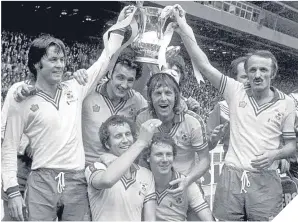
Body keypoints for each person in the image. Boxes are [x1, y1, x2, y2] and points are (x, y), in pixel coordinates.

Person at [1, 7, 129, 221]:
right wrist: (12, 190)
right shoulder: (21, 97)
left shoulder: (75, 87)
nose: (60, 65)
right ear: (36, 64)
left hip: (76, 180)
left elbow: (105, 59)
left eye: (62, 59)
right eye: (53, 60)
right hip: (42, 179)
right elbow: (9, 146)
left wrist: (120, 25)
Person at [171, 5, 296, 220]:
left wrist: (275, 154)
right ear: (246, 72)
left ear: (273, 73)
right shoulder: (235, 91)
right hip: (231, 177)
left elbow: (292, 146)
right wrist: (183, 27)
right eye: (253, 70)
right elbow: (204, 64)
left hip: (265, 180)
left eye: (263, 70)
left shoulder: (286, 103)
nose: (257, 75)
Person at [136, 72, 210, 196]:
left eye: (168, 93)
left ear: (176, 96)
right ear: (150, 97)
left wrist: (187, 181)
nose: (163, 98)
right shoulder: (142, 118)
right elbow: (140, 157)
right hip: (153, 188)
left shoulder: (192, 121)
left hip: (187, 184)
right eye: (158, 93)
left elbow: (205, 160)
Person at [85, 115, 160, 221]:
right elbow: (107, 180)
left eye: (128, 134)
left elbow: (150, 219)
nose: (125, 140)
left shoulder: (146, 174)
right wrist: (141, 142)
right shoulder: (96, 167)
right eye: (118, 136)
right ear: (107, 144)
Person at [141, 132, 214, 221]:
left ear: (174, 157)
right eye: (159, 154)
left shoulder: (184, 183)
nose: (165, 159)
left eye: (168, 154)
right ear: (148, 157)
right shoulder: (141, 181)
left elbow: (207, 217)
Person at [207, 56, 249, 156]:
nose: (249, 81)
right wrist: (213, 139)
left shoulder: (268, 106)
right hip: (234, 168)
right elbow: (206, 146)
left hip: (263, 169)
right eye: (244, 77)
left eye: (251, 76)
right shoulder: (222, 108)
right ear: (234, 80)